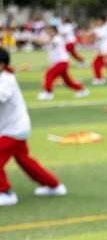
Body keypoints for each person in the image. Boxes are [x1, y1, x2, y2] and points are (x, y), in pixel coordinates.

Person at [0, 47, 67, 207]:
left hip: (14, 129)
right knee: (25, 161)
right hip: (11, 128)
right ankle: (54, 185)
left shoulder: (7, 79)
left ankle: (5, 192)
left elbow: (1, 97)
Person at [36, 25, 89, 100]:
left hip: (61, 62)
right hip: (59, 62)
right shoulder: (52, 38)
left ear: (54, 31)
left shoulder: (58, 38)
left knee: (49, 74)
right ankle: (82, 90)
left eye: (50, 31)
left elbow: (50, 43)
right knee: (67, 81)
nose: (48, 33)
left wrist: (42, 40)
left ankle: (48, 93)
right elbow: (42, 41)